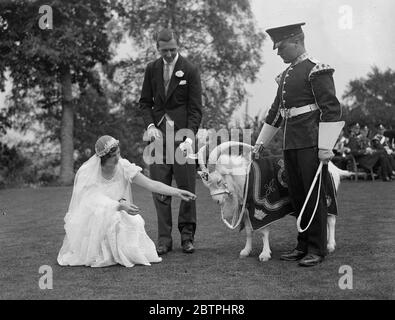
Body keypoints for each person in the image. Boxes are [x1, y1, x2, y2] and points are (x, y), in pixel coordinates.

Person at [253, 23, 343, 267]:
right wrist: (260, 143)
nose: (278, 52)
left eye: (280, 47)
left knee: (313, 197)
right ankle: (303, 245)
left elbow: (331, 109)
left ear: (295, 41)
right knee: (298, 196)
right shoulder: (284, 75)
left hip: (311, 144)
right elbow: (276, 113)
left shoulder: (316, 70)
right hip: (290, 144)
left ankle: (316, 248)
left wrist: (325, 146)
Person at [57, 135, 196, 267]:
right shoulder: (88, 172)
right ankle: (104, 252)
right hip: (96, 215)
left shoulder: (124, 166)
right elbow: (92, 200)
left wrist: (177, 192)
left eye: (118, 153)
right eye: (113, 156)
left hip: (120, 208)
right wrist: (119, 206)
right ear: (103, 158)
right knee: (113, 220)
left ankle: (123, 251)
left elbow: (151, 184)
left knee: (136, 221)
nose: (118, 158)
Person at [139, 28, 202, 255]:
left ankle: (187, 237)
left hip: (182, 139)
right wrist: (150, 126)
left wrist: (190, 137)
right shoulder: (151, 69)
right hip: (157, 140)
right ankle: (164, 240)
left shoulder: (190, 70)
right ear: (157, 47)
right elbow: (145, 102)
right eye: (164, 50)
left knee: (186, 189)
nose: (168, 54)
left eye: (173, 50)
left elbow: (196, 109)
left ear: (178, 46)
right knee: (160, 189)